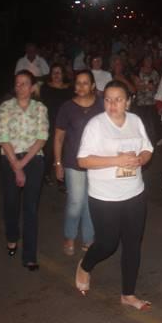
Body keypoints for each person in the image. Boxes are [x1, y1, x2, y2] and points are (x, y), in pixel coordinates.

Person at [75, 81, 153, 311]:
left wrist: (141, 159)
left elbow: (148, 148)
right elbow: (83, 160)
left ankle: (128, 294)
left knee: (132, 244)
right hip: (104, 196)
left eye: (118, 99)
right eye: (108, 99)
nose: (112, 104)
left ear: (128, 102)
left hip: (134, 194)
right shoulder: (96, 125)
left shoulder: (135, 121)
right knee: (107, 244)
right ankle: (85, 265)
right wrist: (115, 161)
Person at [0, 71, 49, 270]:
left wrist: (23, 163)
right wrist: (15, 165)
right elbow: (3, 137)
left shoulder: (40, 108)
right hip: (10, 157)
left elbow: (42, 138)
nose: (20, 87)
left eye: (24, 83)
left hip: (34, 159)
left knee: (30, 208)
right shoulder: (6, 107)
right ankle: (12, 236)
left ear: (32, 87)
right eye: (17, 83)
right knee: (11, 203)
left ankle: (29, 256)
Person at [54, 70, 102, 255]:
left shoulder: (101, 105)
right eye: (78, 83)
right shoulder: (67, 107)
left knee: (90, 201)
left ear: (93, 86)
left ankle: (89, 238)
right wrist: (58, 163)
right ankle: (70, 235)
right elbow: (58, 138)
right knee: (75, 201)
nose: (81, 86)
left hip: (96, 162)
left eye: (85, 83)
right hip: (73, 162)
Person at [40, 64, 72, 186]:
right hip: (50, 122)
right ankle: (46, 174)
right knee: (49, 151)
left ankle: (61, 179)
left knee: (64, 151)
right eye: (54, 72)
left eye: (59, 72)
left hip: (65, 123)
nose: (56, 75)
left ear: (63, 74)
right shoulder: (45, 87)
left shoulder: (69, 88)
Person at [132, 55, 160, 145]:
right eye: (147, 59)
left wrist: (154, 87)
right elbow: (136, 87)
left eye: (150, 59)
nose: (149, 61)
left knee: (152, 124)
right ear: (143, 61)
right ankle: (142, 142)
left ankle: (151, 143)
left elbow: (159, 86)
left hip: (152, 101)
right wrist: (147, 86)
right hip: (141, 102)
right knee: (142, 123)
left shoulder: (155, 72)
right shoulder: (138, 71)